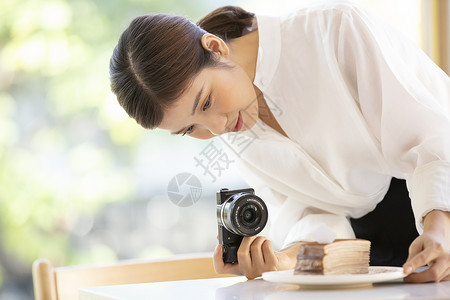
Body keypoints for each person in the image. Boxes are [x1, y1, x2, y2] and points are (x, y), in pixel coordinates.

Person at [109, 1, 450, 282]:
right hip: (391, 264)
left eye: (207, 102)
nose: (215, 129)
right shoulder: (234, 125)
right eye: (188, 129)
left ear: (215, 47)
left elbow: (432, 134)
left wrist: (440, 228)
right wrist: (280, 261)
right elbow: (312, 212)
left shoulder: (333, 31)